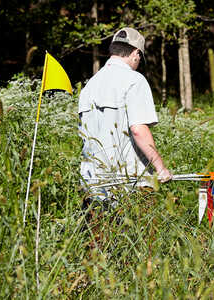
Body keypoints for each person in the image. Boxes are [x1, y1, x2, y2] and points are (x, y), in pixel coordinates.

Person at [78, 27, 172, 204]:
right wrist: (161, 168)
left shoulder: (90, 85)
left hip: (91, 183)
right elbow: (138, 130)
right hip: (128, 184)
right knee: (139, 231)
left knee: (98, 231)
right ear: (136, 53)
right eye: (140, 59)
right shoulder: (134, 80)